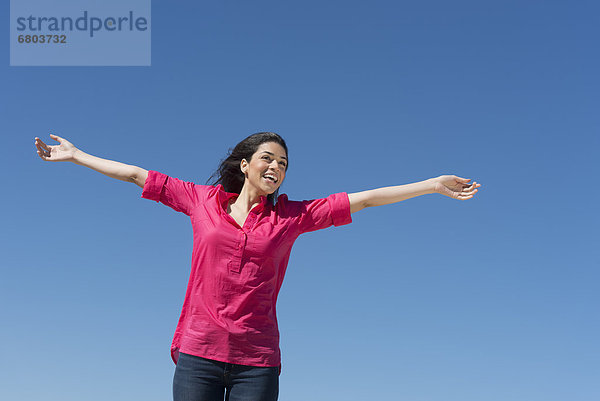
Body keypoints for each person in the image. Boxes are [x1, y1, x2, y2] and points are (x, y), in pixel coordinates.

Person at [34, 132, 481, 401]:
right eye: (268, 158)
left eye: (283, 164)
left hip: (257, 360)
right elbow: (137, 174)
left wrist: (430, 185)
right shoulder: (201, 201)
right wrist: (78, 156)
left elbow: (364, 198)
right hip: (198, 353)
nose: (276, 167)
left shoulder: (293, 216)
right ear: (246, 165)